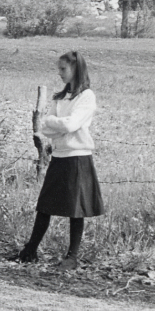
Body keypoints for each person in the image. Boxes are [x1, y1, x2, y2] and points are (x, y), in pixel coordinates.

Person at [16, 51, 103, 270]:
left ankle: (72, 257)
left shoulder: (86, 96)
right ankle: (30, 250)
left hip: (77, 157)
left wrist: (55, 122)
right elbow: (48, 130)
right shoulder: (61, 97)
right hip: (60, 155)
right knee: (45, 205)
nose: (60, 73)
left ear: (76, 69)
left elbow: (70, 125)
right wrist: (57, 124)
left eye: (63, 69)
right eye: (59, 69)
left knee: (76, 209)